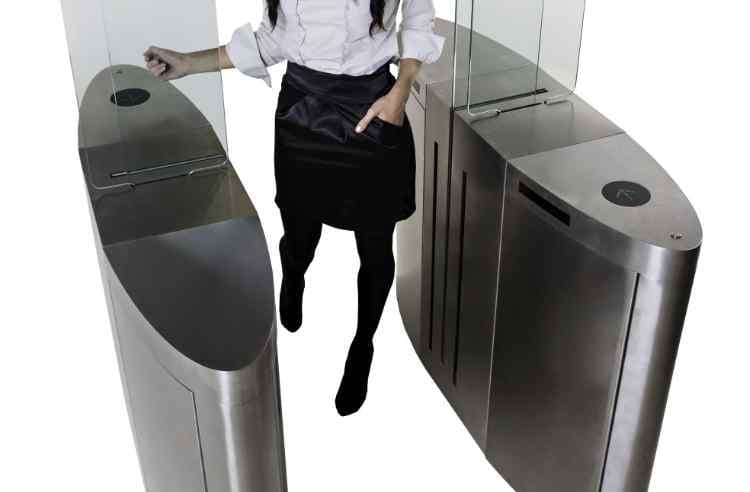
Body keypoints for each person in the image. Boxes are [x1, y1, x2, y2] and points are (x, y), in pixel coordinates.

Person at [144, 0, 445, 416]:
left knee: (374, 246)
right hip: (301, 108)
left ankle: (363, 344)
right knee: (300, 231)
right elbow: (272, 39)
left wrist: (400, 91)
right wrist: (189, 63)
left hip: (371, 108)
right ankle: (295, 275)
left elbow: (416, 19)